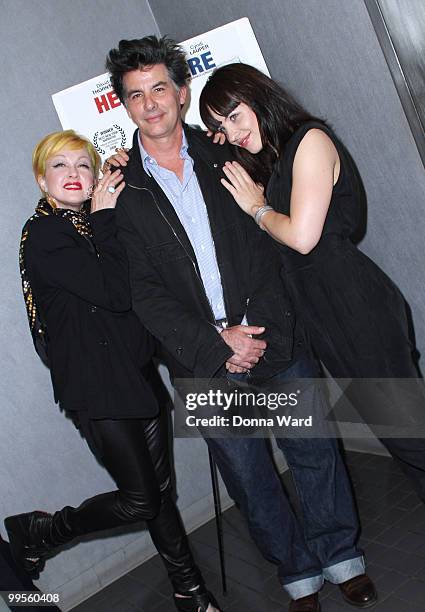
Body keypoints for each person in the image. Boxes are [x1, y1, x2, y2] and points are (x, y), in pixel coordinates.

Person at [104, 36, 376, 612]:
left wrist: (253, 329)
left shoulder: (233, 154)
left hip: (273, 332)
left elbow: (273, 243)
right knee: (249, 475)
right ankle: (298, 575)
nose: (150, 104)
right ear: (123, 106)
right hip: (198, 362)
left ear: (181, 93)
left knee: (313, 452)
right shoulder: (120, 190)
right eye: (136, 95)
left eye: (160, 89)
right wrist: (214, 344)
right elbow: (141, 292)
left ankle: (341, 557)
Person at [4, 130, 219, 612]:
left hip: (137, 376)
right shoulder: (46, 235)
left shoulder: (98, 225)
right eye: (60, 166)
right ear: (43, 180)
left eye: (83, 165)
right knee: (141, 499)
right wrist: (104, 216)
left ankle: (191, 592)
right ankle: (42, 530)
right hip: (95, 387)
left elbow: (134, 294)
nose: (74, 175)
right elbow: (113, 292)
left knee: (160, 494)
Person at [199, 62, 425, 503]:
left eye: (235, 114)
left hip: (354, 304)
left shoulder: (311, 140)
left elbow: (302, 238)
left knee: (410, 433)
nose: (234, 129)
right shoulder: (276, 157)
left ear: (257, 96)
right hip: (325, 311)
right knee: (400, 434)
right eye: (221, 124)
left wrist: (258, 210)